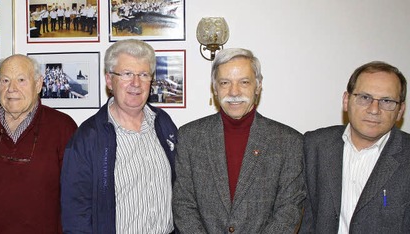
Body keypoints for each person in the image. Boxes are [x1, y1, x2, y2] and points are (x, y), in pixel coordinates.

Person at [172, 48, 305, 233]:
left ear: (258, 86)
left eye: (244, 82)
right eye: (225, 82)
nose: (234, 92)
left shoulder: (289, 142)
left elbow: (289, 211)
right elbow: (183, 204)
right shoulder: (189, 137)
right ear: (215, 88)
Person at [61, 39, 177, 233]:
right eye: (127, 74)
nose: (136, 83)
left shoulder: (163, 123)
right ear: (109, 80)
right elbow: (76, 214)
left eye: (143, 74)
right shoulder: (87, 138)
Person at [0, 54, 78, 233]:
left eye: (21, 80)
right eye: (5, 80)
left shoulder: (63, 128)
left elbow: (76, 198)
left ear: (38, 84)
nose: (12, 89)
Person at [301, 61, 410, 233]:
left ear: (400, 110)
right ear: (346, 100)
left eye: (387, 101)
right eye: (365, 98)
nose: (374, 109)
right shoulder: (314, 145)